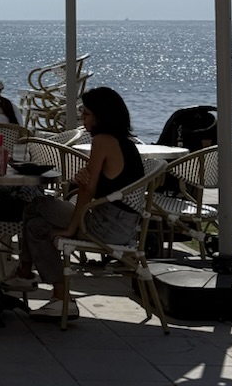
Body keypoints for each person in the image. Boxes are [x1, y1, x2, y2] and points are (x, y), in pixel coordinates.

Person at [16, 85, 145, 323]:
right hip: (120, 223)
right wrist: (84, 181)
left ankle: (24, 272)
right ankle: (60, 298)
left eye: (86, 114)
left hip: (106, 224)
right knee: (35, 226)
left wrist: (71, 228)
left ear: (100, 116)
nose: (82, 118)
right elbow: (91, 185)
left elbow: (86, 192)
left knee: (36, 203)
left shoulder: (103, 140)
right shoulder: (123, 141)